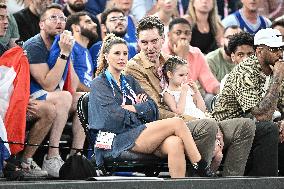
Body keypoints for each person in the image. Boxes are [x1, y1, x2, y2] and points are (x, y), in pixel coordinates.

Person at [125, 15, 256, 176]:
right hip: (163, 127)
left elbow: (192, 96)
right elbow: (155, 110)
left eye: (154, 41)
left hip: (193, 119)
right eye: (144, 42)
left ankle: (231, 182)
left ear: (163, 39)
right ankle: (197, 179)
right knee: (207, 126)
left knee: (245, 126)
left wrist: (209, 119)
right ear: (138, 42)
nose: (149, 47)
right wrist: (203, 121)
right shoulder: (133, 68)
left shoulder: (171, 61)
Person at [89, 33, 215, 178]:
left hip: (139, 132)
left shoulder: (129, 81)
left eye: (125, 53)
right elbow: (111, 118)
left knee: (175, 142)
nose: (122, 57)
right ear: (106, 56)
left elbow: (152, 109)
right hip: (116, 139)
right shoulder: (100, 83)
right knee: (177, 122)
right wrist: (140, 110)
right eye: (117, 53)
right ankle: (200, 166)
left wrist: (134, 108)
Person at [23, 3, 85, 177]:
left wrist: (67, 53)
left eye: (62, 18)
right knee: (64, 97)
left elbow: (72, 87)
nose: (59, 22)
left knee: (82, 99)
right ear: (41, 24)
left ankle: (75, 157)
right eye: (53, 18)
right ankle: (52, 157)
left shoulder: (62, 43)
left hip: (53, 96)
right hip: (31, 96)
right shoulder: (34, 45)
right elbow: (48, 85)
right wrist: (64, 54)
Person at [212, 28, 284, 176]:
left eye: (280, 48)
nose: (279, 53)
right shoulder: (246, 71)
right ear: (259, 51)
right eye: (273, 49)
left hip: (252, 125)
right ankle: (267, 185)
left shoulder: (275, 67)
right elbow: (261, 116)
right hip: (227, 127)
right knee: (269, 129)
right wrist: (277, 78)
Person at [161, 56, 224, 172]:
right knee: (214, 152)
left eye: (186, 75)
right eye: (181, 75)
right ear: (170, 75)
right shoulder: (167, 93)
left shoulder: (188, 89)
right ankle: (202, 174)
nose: (185, 79)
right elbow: (178, 111)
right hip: (188, 123)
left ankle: (211, 179)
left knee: (219, 156)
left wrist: (196, 92)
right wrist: (184, 93)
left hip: (202, 119)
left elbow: (202, 109)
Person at [162, 17, 220, 110]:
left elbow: (209, 81)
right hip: (171, 102)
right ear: (169, 35)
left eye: (187, 33)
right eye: (178, 33)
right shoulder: (162, 53)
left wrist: (224, 92)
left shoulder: (196, 53)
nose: (183, 36)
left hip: (192, 98)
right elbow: (174, 85)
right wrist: (181, 56)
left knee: (212, 98)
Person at [65, 11, 98, 92]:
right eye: (88, 22)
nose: (95, 25)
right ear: (76, 28)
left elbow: (91, 80)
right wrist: (93, 94)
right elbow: (70, 81)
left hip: (88, 97)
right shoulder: (70, 46)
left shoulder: (87, 51)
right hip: (77, 98)